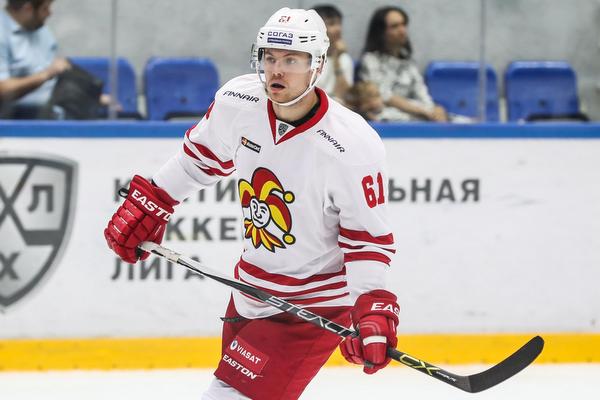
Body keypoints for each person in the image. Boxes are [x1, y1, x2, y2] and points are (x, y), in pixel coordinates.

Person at [104, 7, 399, 400]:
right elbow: (198, 160)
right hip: (248, 291)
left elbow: (366, 240)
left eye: (291, 60)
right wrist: (155, 200)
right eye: (270, 58)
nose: (277, 70)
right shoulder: (238, 101)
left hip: (311, 307)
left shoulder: (352, 144)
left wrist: (372, 303)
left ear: (317, 65)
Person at [358, 6, 448, 122]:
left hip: (417, 114)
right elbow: (384, 95)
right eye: (395, 26)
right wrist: (422, 111)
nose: (402, 30)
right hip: (388, 116)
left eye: (404, 24)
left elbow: (422, 93)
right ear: (381, 32)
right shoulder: (370, 60)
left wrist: (435, 109)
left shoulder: (408, 63)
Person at [0, 0, 70, 118]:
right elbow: (3, 89)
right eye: (45, 8)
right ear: (28, 9)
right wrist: (46, 74)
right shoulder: (2, 35)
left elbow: (56, 70)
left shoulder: (40, 29)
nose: (49, 13)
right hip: (23, 116)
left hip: (59, 106)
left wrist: (93, 97)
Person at [313, 4, 353, 102]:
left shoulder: (343, 58)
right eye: (331, 24)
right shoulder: (307, 58)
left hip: (335, 106)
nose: (338, 29)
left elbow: (345, 96)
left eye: (339, 23)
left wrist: (337, 61)